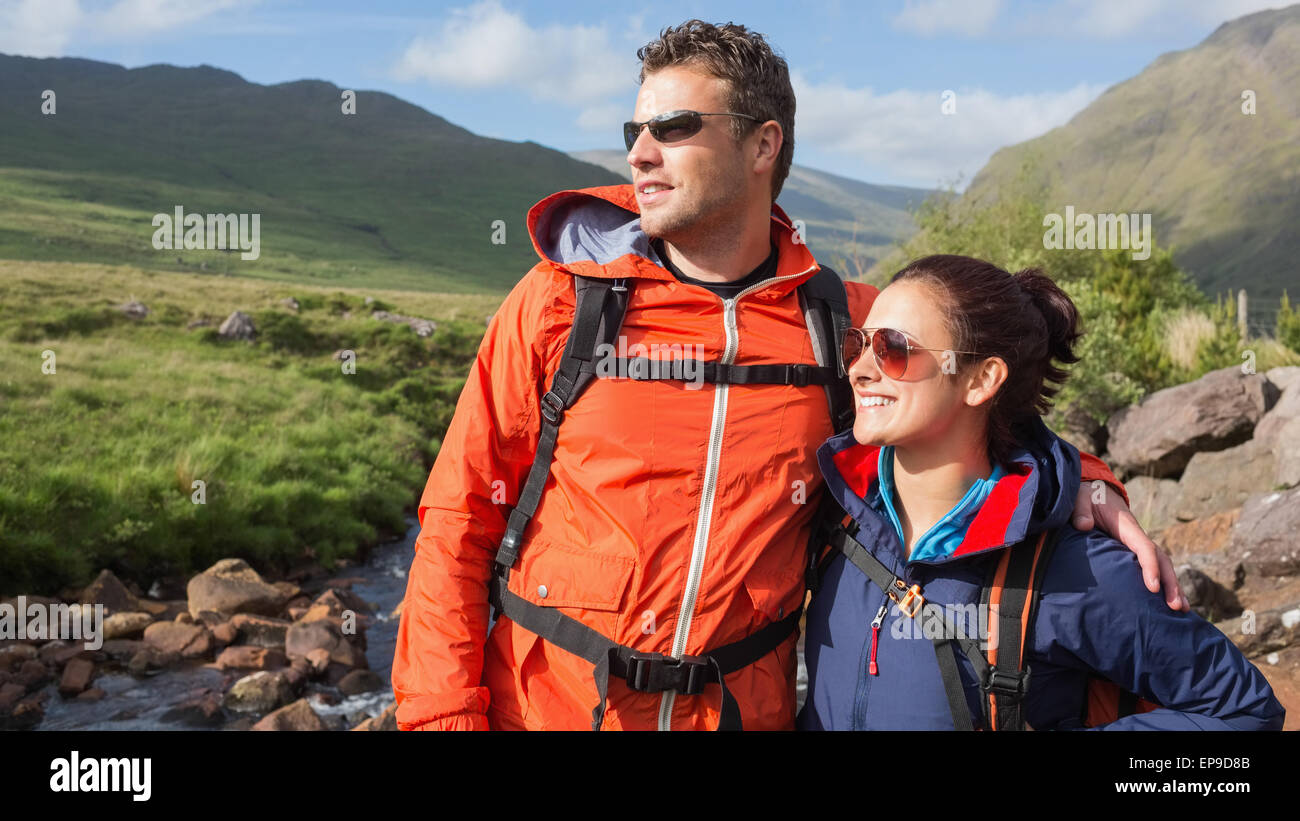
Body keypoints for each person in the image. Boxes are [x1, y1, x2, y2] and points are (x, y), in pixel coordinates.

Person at [391, 20, 1184, 732]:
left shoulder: (844, 325)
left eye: (672, 127)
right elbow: (458, 521)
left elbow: (980, 379)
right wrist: (444, 715)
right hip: (545, 710)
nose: (638, 152)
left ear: (763, 145)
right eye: (634, 128)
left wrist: (1084, 478)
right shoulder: (561, 306)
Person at [799, 255, 1284, 731]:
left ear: (981, 379)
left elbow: (1243, 712)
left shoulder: (1080, 572)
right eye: (856, 344)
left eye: (893, 348)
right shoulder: (836, 516)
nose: (859, 369)